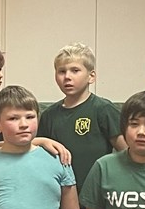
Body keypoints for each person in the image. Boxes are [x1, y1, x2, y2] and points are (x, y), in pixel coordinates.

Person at [38, 42, 126, 196]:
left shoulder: (103, 109)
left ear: (91, 76)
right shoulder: (49, 115)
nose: (67, 77)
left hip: (98, 193)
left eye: (75, 70)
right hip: (61, 193)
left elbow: (126, 151)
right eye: (62, 71)